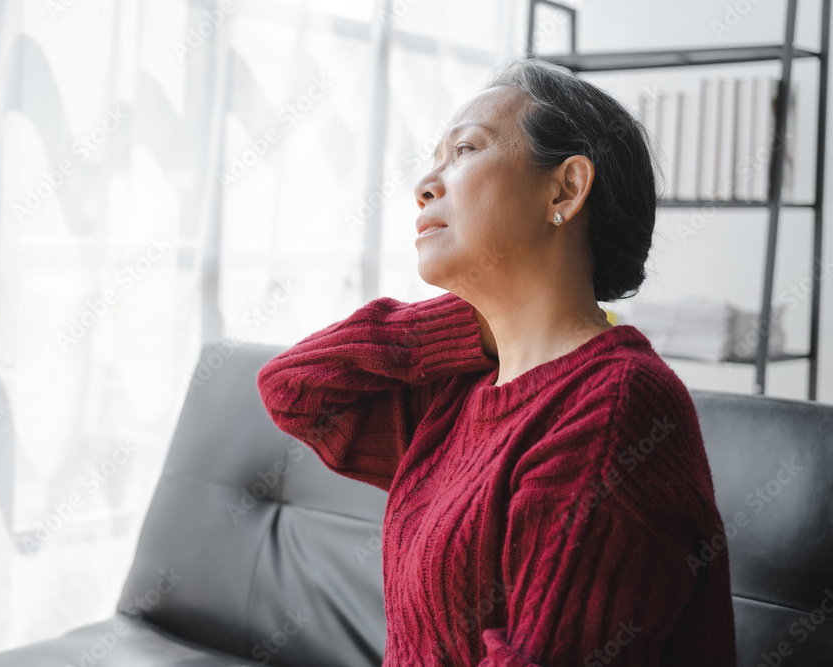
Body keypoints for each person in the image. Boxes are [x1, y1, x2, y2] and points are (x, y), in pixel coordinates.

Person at [256, 56, 737, 666]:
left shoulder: (615, 409)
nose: (425, 183)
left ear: (564, 189)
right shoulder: (461, 394)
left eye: (464, 151)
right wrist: (484, 320)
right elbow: (295, 388)